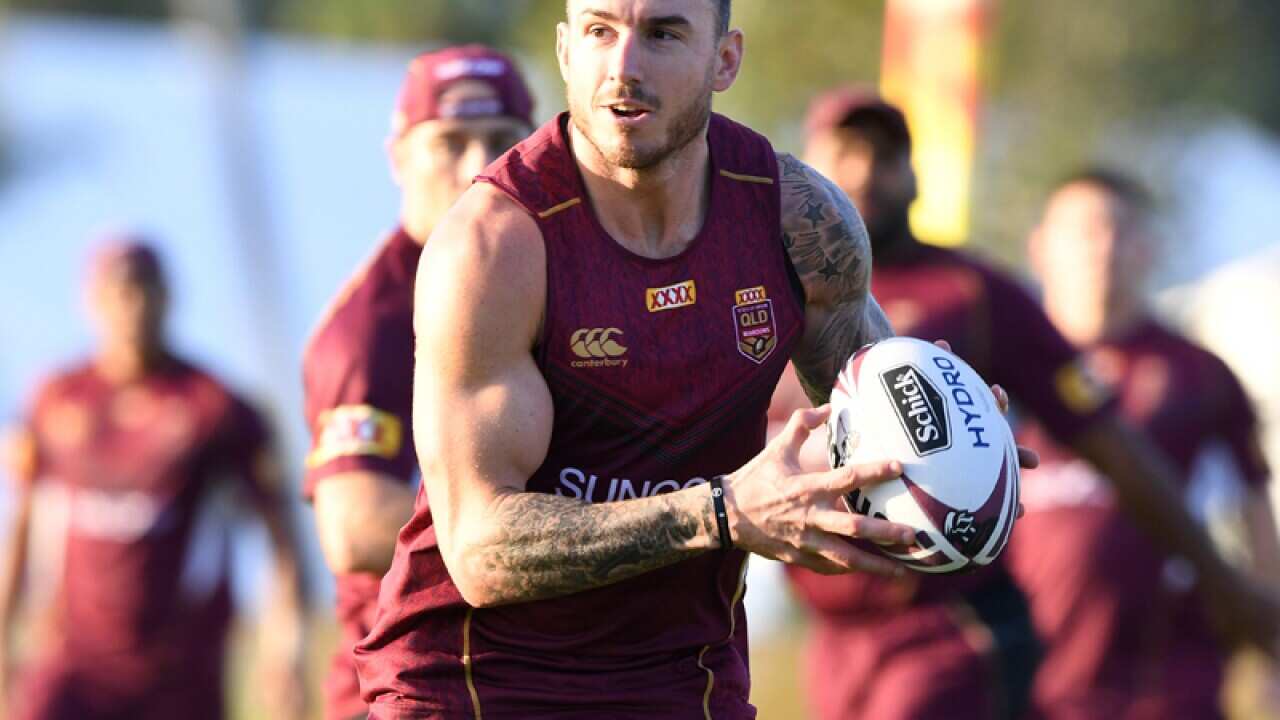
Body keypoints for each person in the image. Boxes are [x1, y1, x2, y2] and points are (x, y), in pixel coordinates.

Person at [350, 1, 947, 716]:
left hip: (684, 682)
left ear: (725, 60)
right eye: (602, 31)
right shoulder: (494, 244)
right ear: (567, 53)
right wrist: (722, 514)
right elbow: (479, 550)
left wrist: (955, 451)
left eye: (663, 34)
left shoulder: (795, 218)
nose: (624, 68)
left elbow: (883, 420)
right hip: (478, 684)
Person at [782, 88, 1279, 720]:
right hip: (832, 637)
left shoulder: (976, 293)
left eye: (885, 155)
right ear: (806, 167)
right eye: (846, 152)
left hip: (950, 630)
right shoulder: (769, 297)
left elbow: (1114, 443)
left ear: (915, 175)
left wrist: (1227, 584)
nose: (864, 172)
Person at [302, 44, 534, 720]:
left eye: (499, 141)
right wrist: (558, 540)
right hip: (409, 691)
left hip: (504, 679)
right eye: (450, 142)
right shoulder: (372, 325)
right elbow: (353, 528)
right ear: (398, 157)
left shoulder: (528, 273)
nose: (476, 167)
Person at [1005, 169, 1280, 719]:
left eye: (1119, 229)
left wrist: (1272, 652)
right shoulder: (997, 375)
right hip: (1025, 690)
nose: (1101, 248)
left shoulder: (1198, 376)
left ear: (1148, 248)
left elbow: (1255, 516)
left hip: (1168, 690)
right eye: (1082, 230)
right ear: (1040, 249)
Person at [0, 238, 307, 720]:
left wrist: (285, 647)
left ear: (168, 296)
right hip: (75, 670)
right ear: (90, 301)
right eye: (118, 292)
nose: (133, 306)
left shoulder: (216, 407)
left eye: (145, 290)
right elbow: (20, 527)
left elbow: (281, 539)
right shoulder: (54, 400)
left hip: (178, 675)